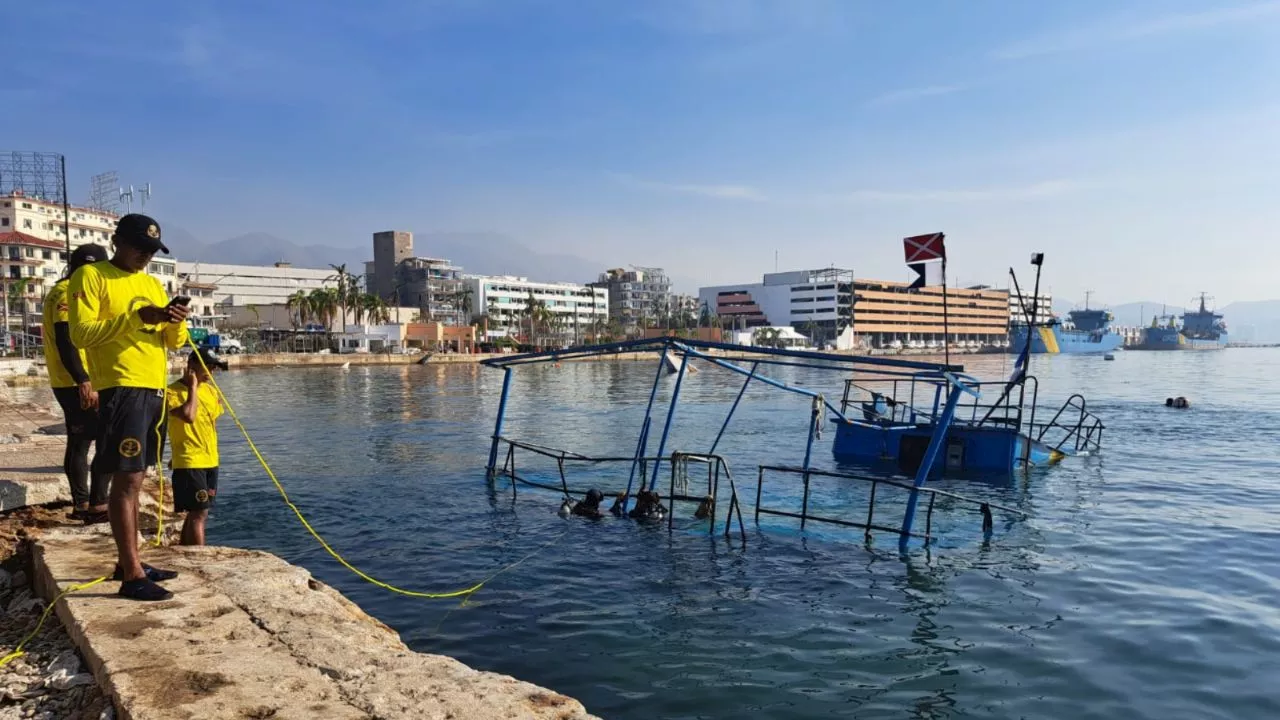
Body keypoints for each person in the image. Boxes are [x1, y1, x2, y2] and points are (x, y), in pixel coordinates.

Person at [69, 214, 189, 601]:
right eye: (140, 247)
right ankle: (132, 575)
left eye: (152, 251)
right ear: (117, 240)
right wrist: (136, 318)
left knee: (138, 476)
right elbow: (81, 333)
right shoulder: (92, 277)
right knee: (128, 478)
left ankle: (129, 560)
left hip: (152, 387)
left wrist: (174, 320)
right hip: (121, 387)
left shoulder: (151, 283)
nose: (145, 256)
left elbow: (171, 341)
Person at [41, 244, 111, 523]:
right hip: (76, 380)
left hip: (70, 378)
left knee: (79, 441)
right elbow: (65, 339)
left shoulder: (63, 289)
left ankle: (83, 503)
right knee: (103, 440)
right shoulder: (68, 293)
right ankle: (95, 504)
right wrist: (83, 379)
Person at [166, 349, 228, 546]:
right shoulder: (171, 392)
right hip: (190, 460)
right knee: (199, 511)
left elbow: (212, 424)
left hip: (210, 460)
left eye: (213, 368)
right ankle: (200, 557)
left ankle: (186, 551)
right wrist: (192, 388)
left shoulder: (210, 391)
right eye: (207, 367)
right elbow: (188, 415)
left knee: (200, 511)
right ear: (191, 365)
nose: (210, 373)